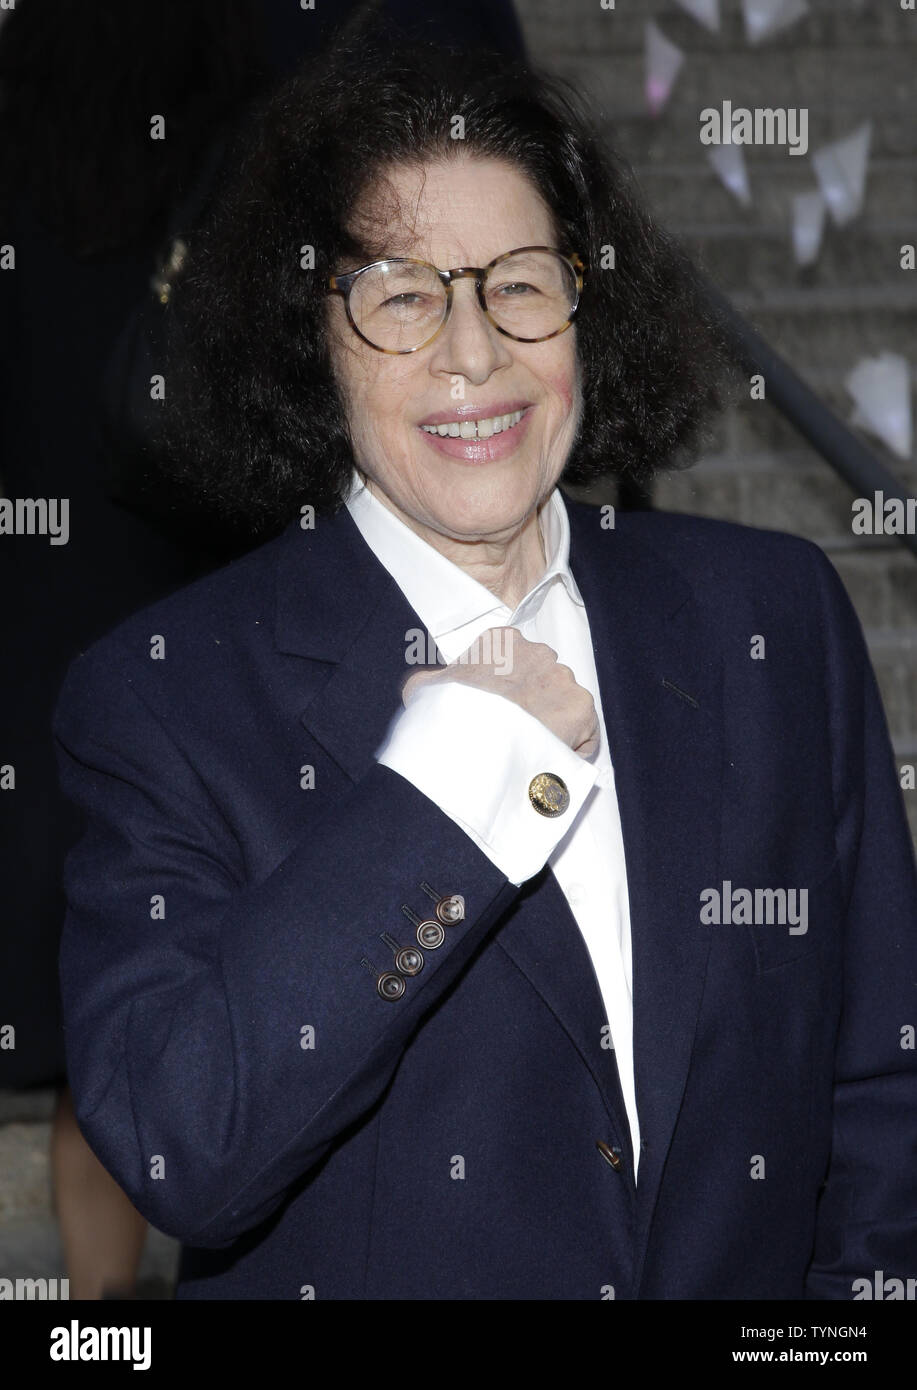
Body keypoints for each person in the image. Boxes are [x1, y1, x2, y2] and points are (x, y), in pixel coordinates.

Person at [53, 35, 917, 1300]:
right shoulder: (164, 697)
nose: (473, 354)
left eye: (519, 284)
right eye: (401, 295)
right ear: (314, 341)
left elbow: (879, 1089)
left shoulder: (769, 617)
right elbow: (185, 1142)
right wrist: (448, 788)